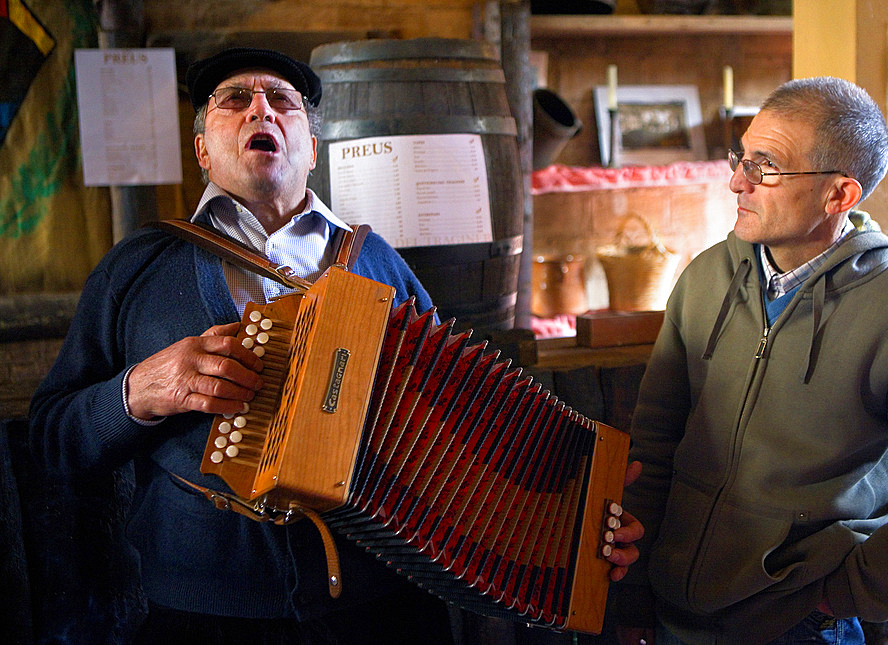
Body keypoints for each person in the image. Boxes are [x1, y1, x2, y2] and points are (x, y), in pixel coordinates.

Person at [28, 46, 640, 644]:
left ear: (312, 149)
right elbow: (53, 442)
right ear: (202, 151)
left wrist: (576, 525)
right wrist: (139, 392)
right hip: (203, 613)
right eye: (234, 100)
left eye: (283, 102)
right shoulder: (137, 269)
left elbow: (462, 427)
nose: (260, 110)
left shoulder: (375, 261)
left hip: (380, 609)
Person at [611, 76, 888, 645]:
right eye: (741, 157)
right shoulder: (705, 278)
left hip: (798, 627)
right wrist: (635, 593)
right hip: (674, 613)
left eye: (765, 166)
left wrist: (834, 598)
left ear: (840, 195)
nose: (737, 181)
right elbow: (654, 442)